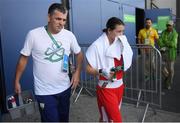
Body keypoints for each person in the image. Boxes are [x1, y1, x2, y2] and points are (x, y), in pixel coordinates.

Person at [14, 3, 83, 122]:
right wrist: (16, 81)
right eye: (58, 19)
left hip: (65, 88)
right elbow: (23, 58)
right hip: (44, 92)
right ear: (49, 17)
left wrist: (77, 73)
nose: (61, 23)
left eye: (64, 20)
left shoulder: (69, 35)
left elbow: (79, 54)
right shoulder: (34, 35)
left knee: (63, 119)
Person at [86, 17, 133, 122]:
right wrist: (102, 71)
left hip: (119, 86)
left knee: (105, 118)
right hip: (106, 88)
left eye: (123, 31)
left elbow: (125, 62)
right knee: (116, 120)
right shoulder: (97, 46)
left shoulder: (122, 42)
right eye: (118, 31)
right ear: (109, 30)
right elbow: (88, 69)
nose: (121, 34)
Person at [158, 20, 178, 90]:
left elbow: (173, 44)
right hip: (164, 54)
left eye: (170, 25)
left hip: (171, 54)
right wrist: (165, 44)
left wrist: (165, 42)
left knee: (171, 70)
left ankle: (169, 83)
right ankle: (167, 76)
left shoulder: (175, 34)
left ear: (173, 26)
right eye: (167, 25)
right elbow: (160, 41)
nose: (168, 27)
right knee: (162, 68)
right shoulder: (164, 32)